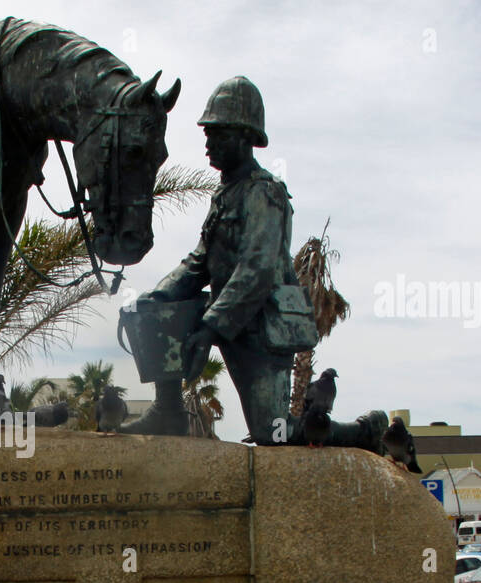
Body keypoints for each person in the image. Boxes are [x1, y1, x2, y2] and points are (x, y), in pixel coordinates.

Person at [121, 75, 386, 451]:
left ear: (245, 137)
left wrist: (210, 328)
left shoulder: (265, 192)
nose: (208, 145)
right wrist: (153, 298)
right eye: (207, 134)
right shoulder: (225, 195)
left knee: (271, 432)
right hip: (229, 317)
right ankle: (168, 409)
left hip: (264, 326)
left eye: (218, 135)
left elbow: (256, 270)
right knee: (155, 307)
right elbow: (199, 263)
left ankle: (362, 433)